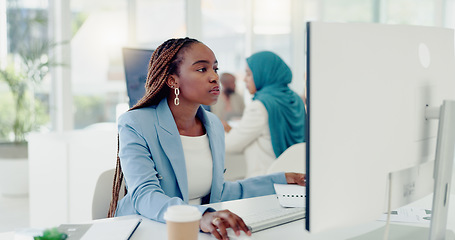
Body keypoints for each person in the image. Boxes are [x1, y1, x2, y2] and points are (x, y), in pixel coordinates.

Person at [107, 38, 305, 240]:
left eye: (215, 69)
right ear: (172, 80)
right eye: (202, 69)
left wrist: (281, 179)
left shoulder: (213, 125)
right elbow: (145, 195)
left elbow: (220, 192)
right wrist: (200, 216)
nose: (214, 77)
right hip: (146, 230)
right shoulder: (135, 123)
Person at [224, 51, 306, 178]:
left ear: (263, 74)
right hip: (294, 178)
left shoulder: (259, 106)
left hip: (265, 181)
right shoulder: (296, 99)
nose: (245, 79)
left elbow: (230, 145)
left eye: (249, 74)